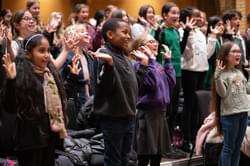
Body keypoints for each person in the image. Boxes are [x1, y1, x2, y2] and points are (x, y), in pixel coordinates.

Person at [1, 33, 79, 166]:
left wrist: (73, 78)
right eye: (41, 51)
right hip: (30, 141)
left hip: (50, 137)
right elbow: (10, 107)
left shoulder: (49, 74)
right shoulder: (22, 75)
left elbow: (62, 98)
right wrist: (11, 81)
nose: (47, 55)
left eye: (48, 50)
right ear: (28, 53)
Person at [90, 18, 148, 166]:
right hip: (113, 118)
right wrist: (109, 65)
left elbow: (135, 86)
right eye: (124, 32)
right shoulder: (103, 54)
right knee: (114, 160)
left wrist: (142, 67)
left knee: (125, 159)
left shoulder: (124, 56)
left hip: (128, 116)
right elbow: (105, 88)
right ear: (110, 34)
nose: (129, 36)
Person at [131, 33, 178, 165]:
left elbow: (171, 82)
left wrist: (168, 62)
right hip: (147, 115)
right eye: (151, 42)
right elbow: (151, 84)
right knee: (144, 157)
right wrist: (150, 61)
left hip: (160, 114)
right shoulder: (139, 65)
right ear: (141, 48)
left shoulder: (156, 64)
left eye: (155, 41)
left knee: (157, 155)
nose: (155, 44)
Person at [212, 41, 250, 166]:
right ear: (226, 55)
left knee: (237, 148)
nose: (238, 54)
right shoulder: (222, 74)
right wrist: (217, 76)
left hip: (243, 113)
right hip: (230, 115)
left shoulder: (239, 72)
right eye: (234, 51)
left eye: (239, 51)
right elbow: (222, 94)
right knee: (228, 148)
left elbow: (248, 90)